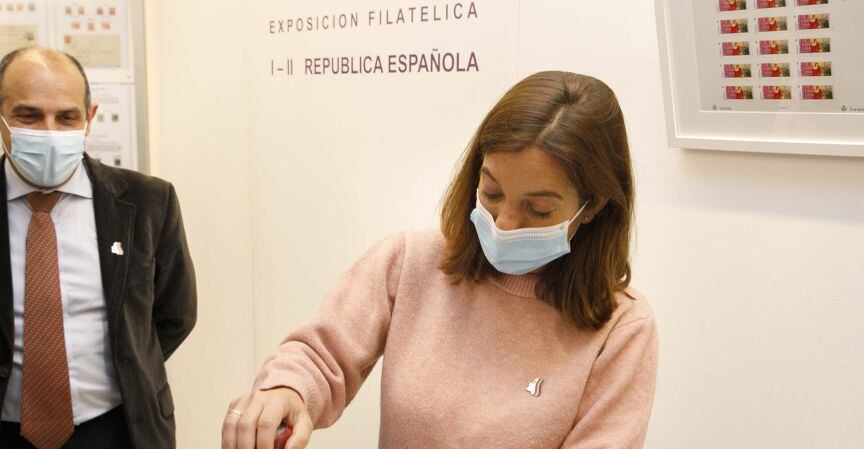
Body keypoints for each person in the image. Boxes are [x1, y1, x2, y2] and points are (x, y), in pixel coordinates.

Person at [222, 71, 658, 449]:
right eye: (491, 193)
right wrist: (287, 390)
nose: (504, 223)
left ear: (594, 205)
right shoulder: (411, 261)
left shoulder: (621, 331)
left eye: (537, 210)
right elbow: (322, 355)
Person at [0, 46, 197, 449]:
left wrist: (130, 374)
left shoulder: (148, 202)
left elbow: (174, 313)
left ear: (89, 118)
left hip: (117, 430)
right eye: (29, 115)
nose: (50, 133)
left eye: (67, 117)